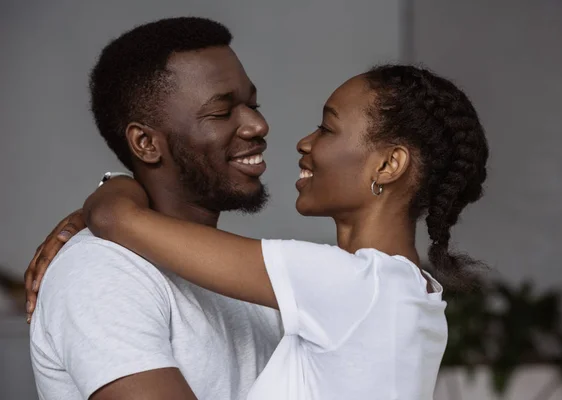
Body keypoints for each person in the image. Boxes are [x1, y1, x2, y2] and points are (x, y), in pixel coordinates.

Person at [26, 64, 490, 399]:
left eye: (326, 129)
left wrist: (116, 185)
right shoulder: (411, 295)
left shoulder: (346, 285)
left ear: (388, 165)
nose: (302, 142)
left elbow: (117, 221)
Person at [25, 17, 283, 400]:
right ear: (145, 142)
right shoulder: (102, 271)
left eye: (253, 104)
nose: (258, 125)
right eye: (221, 112)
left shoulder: (239, 274)